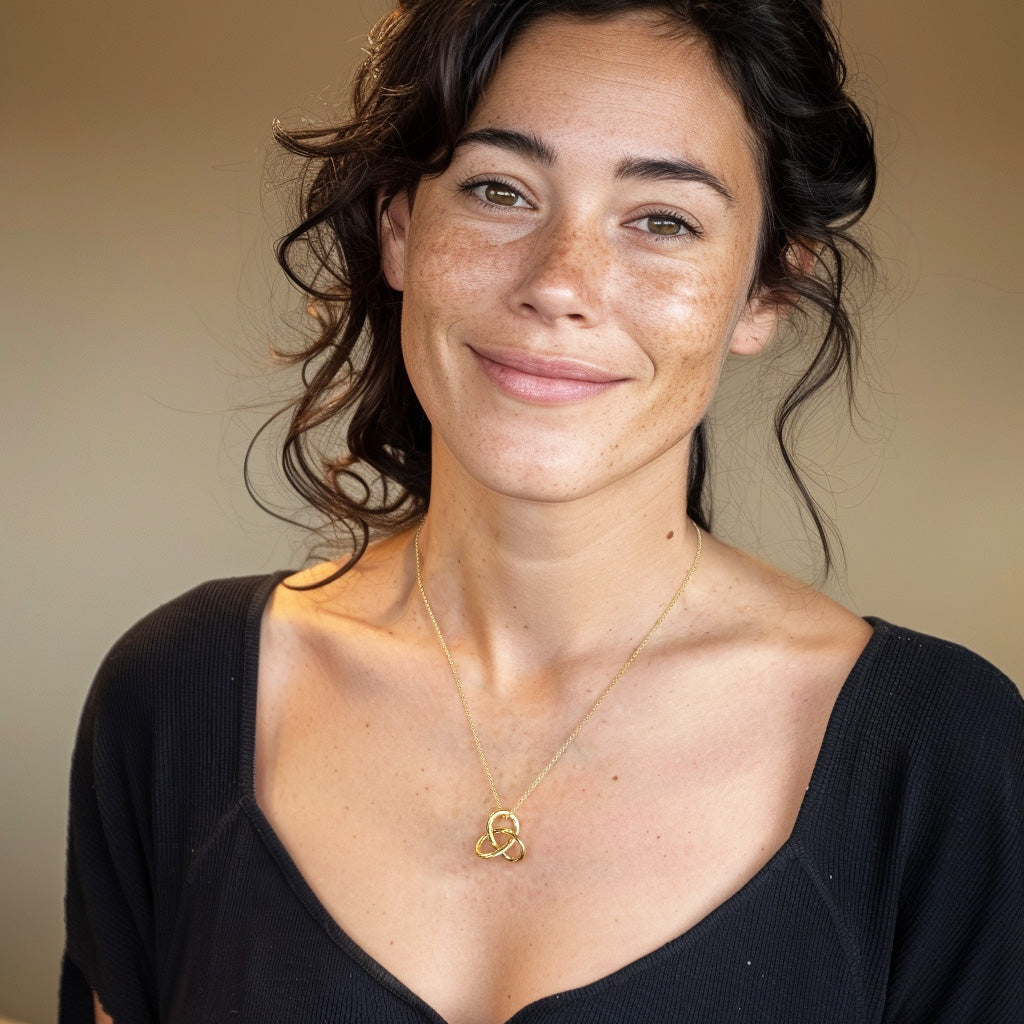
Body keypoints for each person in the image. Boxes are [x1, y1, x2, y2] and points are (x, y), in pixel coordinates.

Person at [61, 1, 1023, 1021]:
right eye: (498, 190)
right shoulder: (174, 696)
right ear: (399, 228)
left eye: (662, 219)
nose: (561, 283)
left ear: (765, 291)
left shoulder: (940, 758)